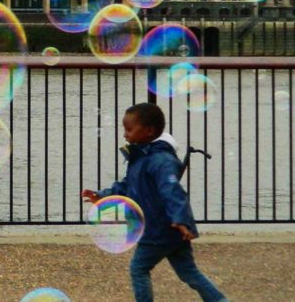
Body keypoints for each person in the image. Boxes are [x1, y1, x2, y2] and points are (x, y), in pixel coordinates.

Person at [82, 103, 227, 302]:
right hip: (172, 230)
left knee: (139, 269)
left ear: (149, 131)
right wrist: (101, 195)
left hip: (158, 229)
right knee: (189, 273)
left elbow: (172, 191)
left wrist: (180, 219)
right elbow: (126, 186)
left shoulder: (160, 160)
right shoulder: (142, 157)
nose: (125, 135)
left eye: (129, 129)